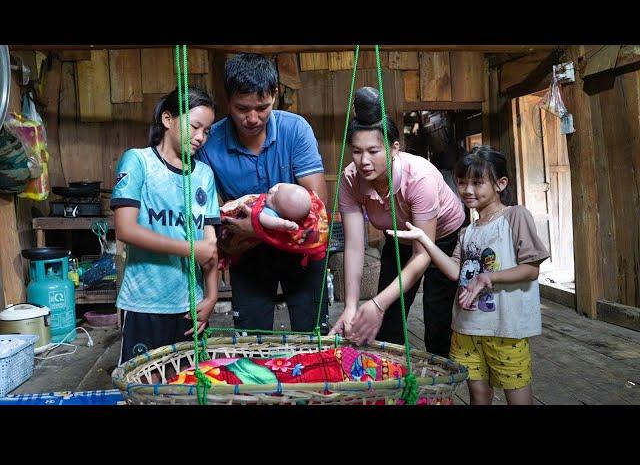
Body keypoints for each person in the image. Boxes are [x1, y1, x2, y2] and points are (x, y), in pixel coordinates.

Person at [386, 145, 549, 405]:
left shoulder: (515, 217)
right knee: (479, 395)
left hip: (506, 330)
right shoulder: (467, 231)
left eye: (477, 182)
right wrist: (424, 240)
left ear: (500, 183)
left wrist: (488, 278)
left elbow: (531, 268)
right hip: (466, 329)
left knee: (517, 399)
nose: (467, 190)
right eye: (462, 182)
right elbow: (454, 272)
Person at [196, 53, 329, 333]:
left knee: (314, 334)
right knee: (253, 340)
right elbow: (212, 217)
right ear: (227, 99)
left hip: (299, 248)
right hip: (249, 255)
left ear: (275, 95)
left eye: (262, 107)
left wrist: (256, 228)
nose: (253, 118)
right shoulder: (211, 144)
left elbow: (317, 210)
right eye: (242, 108)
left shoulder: (295, 130)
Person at [329, 87, 466, 358]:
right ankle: (394, 388)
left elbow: (422, 256)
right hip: (397, 234)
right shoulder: (350, 179)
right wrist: (352, 306)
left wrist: (377, 304)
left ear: (394, 148)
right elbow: (355, 246)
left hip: (442, 238)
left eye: (373, 151)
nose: (364, 161)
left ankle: (438, 392)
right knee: (387, 322)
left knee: (437, 323)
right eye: (356, 151)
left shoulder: (420, 178)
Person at [111, 86, 220, 366]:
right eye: (195, 126)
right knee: (145, 383)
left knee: (188, 381)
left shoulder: (204, 175)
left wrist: (211, 297)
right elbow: (126, 229)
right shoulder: (139, 161)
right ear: (168, 119)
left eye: (206, 131)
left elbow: (210, 247)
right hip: (146, 302)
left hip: (190, 307)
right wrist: (190, 249)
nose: (200, 137)